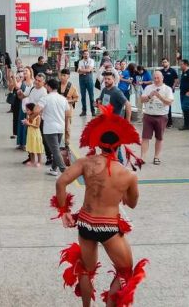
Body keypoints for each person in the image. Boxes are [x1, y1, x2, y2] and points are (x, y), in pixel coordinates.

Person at [51, 109, 147, 307]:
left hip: (85, 223)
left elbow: (60, 183)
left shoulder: (85, 163)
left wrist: (64, 212)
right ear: (119, 145)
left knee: (86, 269)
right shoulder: (128, 175)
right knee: (125, 272)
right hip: (109, 227)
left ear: (98, 143)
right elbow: (132, 203)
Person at [37, 77, 69, 177]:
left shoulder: (45, 98)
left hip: (49, 128)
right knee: (56, 149)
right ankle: (53, 169)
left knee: (55, 150)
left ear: (48, 87)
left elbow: (36, 110)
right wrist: (66, 127)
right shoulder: (63, 99)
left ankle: (64, 170)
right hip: (60, 127)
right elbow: (67, 114)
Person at [140, 71, 174, 165]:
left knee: (159, 138)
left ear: (162, 78)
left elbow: (169, 102)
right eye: (154, 77)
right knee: (145, 137)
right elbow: (142, 100)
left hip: (161, 116)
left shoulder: (167, 89)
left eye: (158, 77)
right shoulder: (148, 88)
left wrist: (159, 96)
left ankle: (156, 157)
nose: (156, 79)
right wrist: (150, 96)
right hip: (148, 115)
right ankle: (143, 157)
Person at [59, 68, 79, 146]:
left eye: (64, 75)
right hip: (58, 109)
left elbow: (76, 98)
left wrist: (68, 101)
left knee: (67, 127)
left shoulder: (72, 87)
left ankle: (67, 142)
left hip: (68, 109)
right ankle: (59, 141)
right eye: (61, 75)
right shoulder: (57, 85)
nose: (62, 77)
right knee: (58, 126)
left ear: (68, 76)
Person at [158, 59, 178, 127]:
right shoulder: (160, 71)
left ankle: (169, 122)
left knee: (168, 106)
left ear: (168, 63)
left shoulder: (172, 71)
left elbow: (176, 80)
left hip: (169, 91)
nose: (164, 63)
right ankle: (162, 121)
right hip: (161, 91)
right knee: (161, 105)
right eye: (163, 62)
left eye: (165, 62)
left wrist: (173, 86)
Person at [76, 50, 96, 117]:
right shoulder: (80, 61)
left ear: (89, 54)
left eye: (87, 54)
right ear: (83, 55)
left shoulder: (91, 61)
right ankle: (84, 111)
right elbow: (78, 71)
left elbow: (89, 70)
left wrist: (83, 69)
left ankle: (93, 111)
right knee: (83, 96)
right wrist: (86, 70)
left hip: (89, 79)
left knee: (91, 96)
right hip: (81, 80)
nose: (86, 55)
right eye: (84, 54)